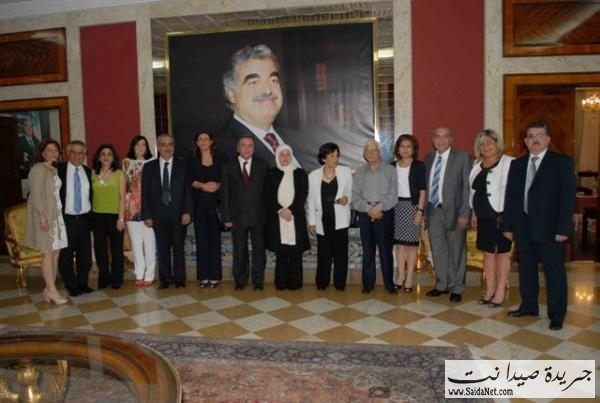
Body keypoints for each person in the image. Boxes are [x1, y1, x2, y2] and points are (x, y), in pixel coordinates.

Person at [502, 120, 576, 331]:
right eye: (531, 136)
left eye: (540, 135)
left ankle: (557, 315)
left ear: (548, 139)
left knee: (554, 273)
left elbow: (568, 198)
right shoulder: (517, 164)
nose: (535, 139)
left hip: (551, 230)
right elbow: (511, 198)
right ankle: (529, 306)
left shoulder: (562, 163)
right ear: (525, 141)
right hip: (523, 226)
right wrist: (508, 225)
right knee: (526, 269)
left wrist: (563, 229)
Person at [219, 44, 304, 167]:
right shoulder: (221, 152)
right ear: (231, 93)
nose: (267, 90)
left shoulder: (298, 140)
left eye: (273, 80)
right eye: (254, 82)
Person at [424, 127, 471, 303]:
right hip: (433, 211)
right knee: (438, 250)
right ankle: (441, 284)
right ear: (433, 140)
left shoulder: (462, 157)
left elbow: (467, 188)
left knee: (457, 251)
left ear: (451, 139)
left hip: (456, 212)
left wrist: (465, 213)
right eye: (437, 136)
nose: (441, 140)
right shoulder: (428, 158)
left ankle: (457, 287)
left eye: (445, 137)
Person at [469, 129, 514, 307]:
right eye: (482, 143)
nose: (485, 146)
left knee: (502, 254)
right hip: (483, 216)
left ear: (497, 144)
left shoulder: (509, 162)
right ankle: (489, 289)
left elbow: (515, 192)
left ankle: (500, 291)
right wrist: (474, 212)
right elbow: (473, 192)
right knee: (488, 254)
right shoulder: (476, 165)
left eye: (489, 142)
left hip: (501, 216)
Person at [142, 134, 192, 289]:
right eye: (163, 145)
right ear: (158, 147)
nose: (167, 147)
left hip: (178, 213)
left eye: (170, 144)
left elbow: (188, 191)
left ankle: (179, 279)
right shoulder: (149, 167)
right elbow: (145, 193)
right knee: (162, 248)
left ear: (174, 147)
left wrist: (187, 212)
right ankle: (165, 279)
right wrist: (147, 215)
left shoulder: (183, 165)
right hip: (158, 214)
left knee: (178, 248)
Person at [221, 134, 269, 290]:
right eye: (243, 145)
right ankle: (240, 280)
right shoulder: (228, 166)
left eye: (250, 145)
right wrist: (226, 217)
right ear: (237, 148)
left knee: (259, 250)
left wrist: (268, 215)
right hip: (237, 216)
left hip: (259, 216)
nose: (246, 148)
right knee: (239, 249)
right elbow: (225, 193)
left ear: (254, 149)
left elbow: (267, 192)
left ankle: (258, 281)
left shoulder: (263, 165)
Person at [24, 139, 68, 304]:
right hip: (44, 216)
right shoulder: (38, 168)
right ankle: (52, 291)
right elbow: (35, 195)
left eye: (56, 150)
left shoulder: (53, 169)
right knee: (47, 253)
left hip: (56, 216)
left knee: (56, 253)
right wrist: (42, 217)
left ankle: (48, 289)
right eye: (49, 150)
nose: (53, 153)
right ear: (42, 152)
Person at [352, 139, 398, 294]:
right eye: (368, 150)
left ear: (379, 153)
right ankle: (367, 284)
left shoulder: (390, 170)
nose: (371, 153)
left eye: (374, 150)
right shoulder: (359, 172)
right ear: (364, 154)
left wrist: (378, 208)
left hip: (384, 214)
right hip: (365, 215)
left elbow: (393, 195)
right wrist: (369, 209)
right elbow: (355, 196)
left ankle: (389, 284)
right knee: (367, 251)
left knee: (385, 251)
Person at [307, 143, 353, 291]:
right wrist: (312, 222)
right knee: (323, 253)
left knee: (341, 254)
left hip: (340, 220)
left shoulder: (345, 172)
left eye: (337, 155)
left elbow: (350, 192)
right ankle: (322, 283)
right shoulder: (313, 175)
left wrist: (347, 198)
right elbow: (310, 200)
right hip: (322, 220)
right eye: (332, 155)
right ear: (323, 158)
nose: (336, 158)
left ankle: (340, 284)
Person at [265, 145, 309, 290]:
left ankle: (295, 283)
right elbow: (268, 195)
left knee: (296, 252)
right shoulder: (272, 174)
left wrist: (290, 211)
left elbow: (302, 194)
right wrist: (280, 210)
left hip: (295, 218)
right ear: (277, 157)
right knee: (281, 252)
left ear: (291, 156)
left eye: (287, 154)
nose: (285, 158)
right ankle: (281, 283)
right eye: (282, 155)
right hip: (277, 218)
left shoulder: (300, 173)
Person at [187, 130, 226, 288]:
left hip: (216, 205)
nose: (203, 142)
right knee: (201, 240)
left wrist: (217, 185)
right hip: (199, 204)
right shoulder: (191, 159)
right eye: (200, 139)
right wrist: (203, 185)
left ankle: (215, 277)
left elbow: (227, 178)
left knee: (215, 241)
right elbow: (189, 179)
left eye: (206, 139)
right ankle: (203, 277)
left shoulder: (222, 158)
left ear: (211, 141)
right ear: (197, 143)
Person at [57, 140, 94, 297]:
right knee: (66, 255)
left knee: (85, 255)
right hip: (66, 219)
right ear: (68, 153)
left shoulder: (89, 172)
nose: (77, 156)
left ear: (84, 155)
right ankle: (71, 285)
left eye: (80, 153)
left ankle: (82, 283)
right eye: (73, 152)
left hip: (84, 219)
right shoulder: (58, 171)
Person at [391, 134, 426, 293]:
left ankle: (410, 277)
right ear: (398, 149)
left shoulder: (419, 166)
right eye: (402, 146)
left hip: (413, 207)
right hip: (396, 208)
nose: (405, 149)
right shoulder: (392, 166)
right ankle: (400, 276)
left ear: (413, 149)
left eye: (408, 146)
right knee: (399, 245)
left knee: (411, 246)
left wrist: (420, 211)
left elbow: (423, 191)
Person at [91, 144, 126, 289]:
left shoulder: (119, 174)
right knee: (100, 249)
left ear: (113, 157)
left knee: (116, 249)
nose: (106, 157)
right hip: (97, 216)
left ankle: (117, 278)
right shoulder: (92, 173)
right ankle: (104, 277)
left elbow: (122, 198)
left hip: (115, 216)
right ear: (99, 157)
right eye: (103, 154)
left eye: (109, 154)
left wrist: (121, 218)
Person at [123, 135, 156, 287]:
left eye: (143, 144)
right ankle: (139, 273)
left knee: (149, 243)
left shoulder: (153, 162)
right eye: (137, 145)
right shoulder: (126, 162)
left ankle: (150, 274)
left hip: (149, 207)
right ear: (133, 147)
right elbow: (124, 186)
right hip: (131, 209)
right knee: (136, 244)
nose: (140, 148)